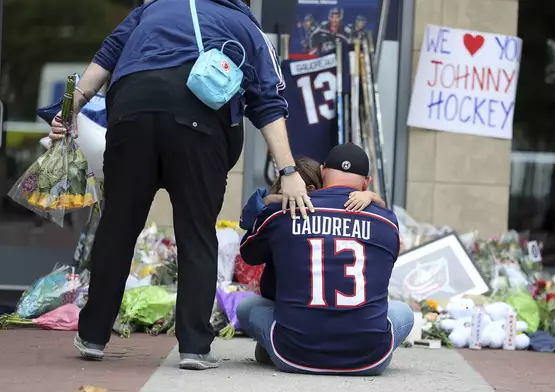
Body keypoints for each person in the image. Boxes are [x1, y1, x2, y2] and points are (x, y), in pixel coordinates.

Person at [47, 0, 313, 370]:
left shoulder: (148, 10)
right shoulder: (245, 24)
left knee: (117, 228)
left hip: (131, 115)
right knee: (196, 234)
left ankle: (92, 335)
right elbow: (268, 102)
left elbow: (104, 59)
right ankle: (193, 346)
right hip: (198, 125)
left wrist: (67, 113)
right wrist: (288, 172)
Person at [236, 143, 414, 376]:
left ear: (322, 172)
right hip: (370, 359)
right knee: (404, 312)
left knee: (247, 307)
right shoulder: (387, 222)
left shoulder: (285, 211)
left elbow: (248, 254)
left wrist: (270, 201)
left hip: (292, 355)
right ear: (367, 182)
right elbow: (386, 262)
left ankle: (271, 343)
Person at [240, 156, 385, 231]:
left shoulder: (328, 207)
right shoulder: (275, 204)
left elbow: (382, 208)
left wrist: (369, 196)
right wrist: (269, 200)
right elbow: (245, 222)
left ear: (310, 190)